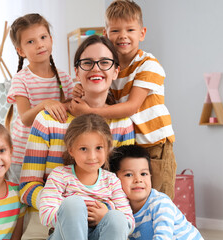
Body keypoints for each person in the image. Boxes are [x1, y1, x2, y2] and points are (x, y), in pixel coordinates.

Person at [70, 0, 176, 199]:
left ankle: (164, 229)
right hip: (131, 140)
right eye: (116, 30)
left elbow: (131, 107)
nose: (123, 36)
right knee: (132, 198)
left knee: (158, 198)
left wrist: (87, 112)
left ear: (142, 33)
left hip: (155, 144)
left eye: (130, 29)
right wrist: (81, 89)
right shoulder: (111, 67)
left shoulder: (148, 65)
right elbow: (102, 95)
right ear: (106, 33)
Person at [19, 35, 134, 211]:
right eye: (87, 63)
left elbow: (124, 187)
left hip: (103, 220)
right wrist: (64, 208)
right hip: (50, 219)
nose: (96, 69)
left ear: (116, 71)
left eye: (104, 63)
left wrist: (104, 210)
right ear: (77, 71)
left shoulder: (123, 125)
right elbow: (27, 187)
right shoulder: (47, 121)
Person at [39, 113, 134, 239]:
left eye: (99, 148)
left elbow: (129, 222)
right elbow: (45, 214)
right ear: (71, 150)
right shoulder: (60, 175)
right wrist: (76, 216)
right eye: (84, 149)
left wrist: (105, 214)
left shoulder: (111, 181)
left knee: (117, 218)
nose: (92, 156)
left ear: (107, 149)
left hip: (99, 234)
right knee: (73, 204)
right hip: (64, 235)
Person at [6, 13, 74, 183]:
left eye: (43, 37)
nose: (39, 44)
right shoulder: (21, 79)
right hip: (24, 156)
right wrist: (45, 104)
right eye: (31, 41)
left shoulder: (64, 78)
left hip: (54, 155)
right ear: (20, 51)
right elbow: (26, 118)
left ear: (51, 39)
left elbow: (73, 108)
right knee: (22, 200)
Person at [110, 145, 203, 240]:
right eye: (129, 175)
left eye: (143, 174)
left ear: (150, 176)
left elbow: (163, 237)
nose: (138, 180)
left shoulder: (160, 203)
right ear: (114, 179)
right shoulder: (120, 208)